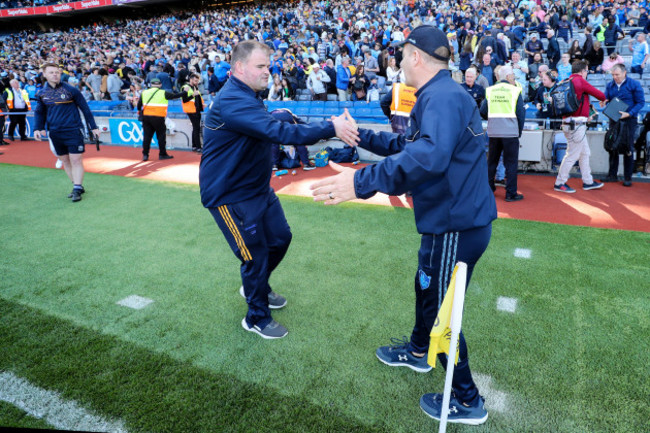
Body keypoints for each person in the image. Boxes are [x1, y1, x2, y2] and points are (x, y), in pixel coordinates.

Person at [310, 25, 495, 426]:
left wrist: (359, 182)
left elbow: (427, 157)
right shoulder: (441, 94)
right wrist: (364, 138)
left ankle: (467, 400)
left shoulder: (442, 98)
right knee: (425, 287)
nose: (396, 62)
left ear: (415, 56)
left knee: (443, 311)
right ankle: (416, 352)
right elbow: (409, 147)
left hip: (454, 227)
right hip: (449, 222)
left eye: (401, 55)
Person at [199, 40, 358, 340]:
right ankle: (256, 316)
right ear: (238, 68)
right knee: (255, 255)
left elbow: (277, 123)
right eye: (260, 66)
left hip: (256, 189)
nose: (268, 72)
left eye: (268, 65)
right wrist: (330, 128)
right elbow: (278, 132)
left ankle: (256, 287)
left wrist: (326, 125)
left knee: (281, 238)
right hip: (229, 195)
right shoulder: (233, 99)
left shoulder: (248, 95)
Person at [33, 63, 99, 203]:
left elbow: (85, 109)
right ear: (44, 74)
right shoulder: (41, 93)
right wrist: (37, 128)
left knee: (76, 159)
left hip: (73, 130)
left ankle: (76, 188)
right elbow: (39, 112)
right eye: (51, 72)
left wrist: (93, 127)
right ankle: (77, 185)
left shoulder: (70, 90)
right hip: (55, 132)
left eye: (57, 72)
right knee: (65, 160)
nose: (55, 74)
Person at [553, 60, 606, 193]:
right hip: (577, 124)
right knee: (572, 155)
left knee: (584, 153)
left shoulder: (565, 81)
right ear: (583, 71)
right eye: (586, 71)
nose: (587, 73)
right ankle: (560, 182)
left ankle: (587, 181)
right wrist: (602, 99)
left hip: (568, 122)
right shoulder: (580, 81)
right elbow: (600, 95)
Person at [480, 65, 526, 202]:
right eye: (512, 75)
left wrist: (493, 120)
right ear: (507, 76)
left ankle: (489, 189)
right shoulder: (515, 90)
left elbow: (482, 111)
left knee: (492, 161)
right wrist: (519, 132)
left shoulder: (490, 90)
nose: (513, 77)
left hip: (494, 131)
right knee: (510, 163)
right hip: (510, 133)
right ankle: (510, 193)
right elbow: (520, 114)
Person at [603, 64, 645, 187]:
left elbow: (641, 102)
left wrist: (629, 113)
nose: (615, 77)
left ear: (624, 73)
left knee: (628, 148)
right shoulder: (610, 85)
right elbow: (606, 98)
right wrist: (604, 101)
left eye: (617, 75)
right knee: (612, 146)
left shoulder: (634, 84)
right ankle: (612, 175)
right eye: (613, 75)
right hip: (614, 120)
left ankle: (628, 177)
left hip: (629, 121)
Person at [136, 78, 185, 161]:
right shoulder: (163, 92)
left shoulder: (144, 93)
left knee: (147, 137)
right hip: (159, 117)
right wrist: (185, 92)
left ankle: (145, 155)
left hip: (147, 117)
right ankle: (162, 154)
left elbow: (138, 105)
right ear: (160, 85)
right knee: (161, 137)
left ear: (151, 85)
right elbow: (175, 96)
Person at [181, 73, 205, 153]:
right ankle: (198, 147)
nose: (197, 82)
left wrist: (202, 104)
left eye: (197, 81)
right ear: (191, 79)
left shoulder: (195, 87)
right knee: (196, 128)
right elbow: (184, 100)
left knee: (195, 128)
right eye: (195, 80)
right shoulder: (185, 87)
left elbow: (197, 98)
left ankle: (194, 146)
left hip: (196, 109)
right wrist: (193, 95)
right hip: (191, 110)